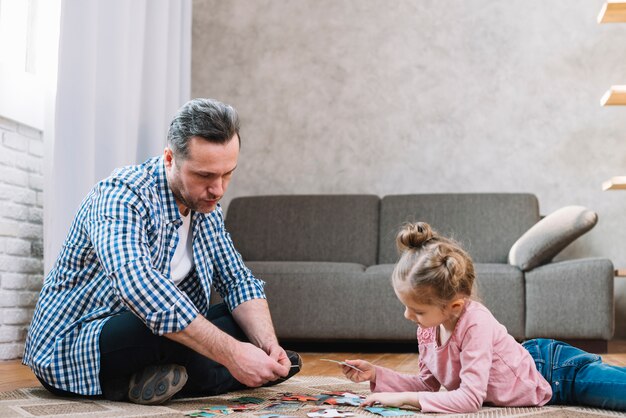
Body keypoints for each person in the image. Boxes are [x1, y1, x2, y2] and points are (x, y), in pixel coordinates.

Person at [23, 98, 301, 405]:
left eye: (227, 174)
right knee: (173, 328)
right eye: (205, 175)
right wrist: (234, 353)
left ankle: (145, 381)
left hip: (153, 334)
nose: (218, 189)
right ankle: (210, 375)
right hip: (77, 345)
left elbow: (236, 280)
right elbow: (140, 287)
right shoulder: (120, 194)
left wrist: (267, 344)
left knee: (240, 323)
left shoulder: (206, 207)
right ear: (170, 158)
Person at [339, 222, 626, 413]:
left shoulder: (475, 321)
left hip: (555, 372)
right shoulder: (428, 329)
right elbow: (429, 386)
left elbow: (470, 399)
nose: (407, 315)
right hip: (536, 375)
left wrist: (405, 399)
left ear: (453, 306)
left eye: (418, 310)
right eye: (406, 306)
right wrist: (378, 375)